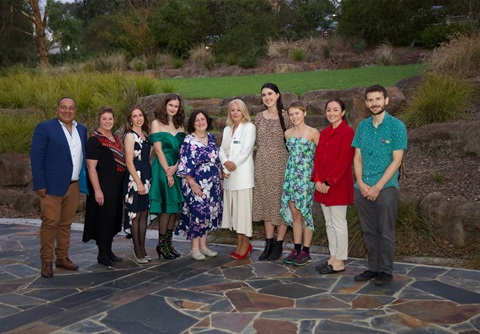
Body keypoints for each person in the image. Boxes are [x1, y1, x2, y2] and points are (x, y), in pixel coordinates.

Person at [352, 85, 407, 285]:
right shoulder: (362, 127)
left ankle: (385, 270)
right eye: (370, 100)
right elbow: (357, 157)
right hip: (362, 188)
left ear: (386, 101)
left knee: (385, 231)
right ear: (366, 103)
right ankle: (373, 268)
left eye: (378, 99)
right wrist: (360, 182)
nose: (374, 103)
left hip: (385, 188)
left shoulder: (396, 126)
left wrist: (378, 186)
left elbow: (397, 161)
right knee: (369, 230)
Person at [30, 97, 87, 278]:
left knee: (66, 224)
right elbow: (36, 157)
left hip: (73, 185)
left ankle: (62, 257)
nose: (67, 111)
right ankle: (46, 261)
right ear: (57, 109)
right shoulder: (45, 128)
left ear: (75, 111)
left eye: (71, 108)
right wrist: (40, 183)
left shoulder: (81, 129)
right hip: (51, 187)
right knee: (50, 223)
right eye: (64, 107)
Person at [312, 99, 355, 274]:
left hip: (337, 186)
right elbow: (318, 159)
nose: (331, 113)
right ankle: (333, 256)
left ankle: (340, 261)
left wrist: (329, 182)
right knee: (329, 223)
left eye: (335, 110)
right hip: (322, 185)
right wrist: (317, 180)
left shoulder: (348, 133)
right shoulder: (324, 132)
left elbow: (344, 160)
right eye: (328, 110)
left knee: (338, 223)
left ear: (343, 112)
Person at [253, 83, 293, 261]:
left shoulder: (286, 116)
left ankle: (279, 243)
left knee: (280, 204)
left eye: (270, 94)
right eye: (264, 95)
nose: (267, 97)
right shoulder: (259, 117)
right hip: (262, 165)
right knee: (266, 202)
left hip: (280, 165)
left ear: (277, 95)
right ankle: (268, 242)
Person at [176, 110, 222, 261]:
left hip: (212, 183)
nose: (201, 122)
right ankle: (194, 248)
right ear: (193, 124)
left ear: (207, 121)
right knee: (198, 214)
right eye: (197, 120)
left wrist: (219, 179)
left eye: (203, 119)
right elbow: (184, 163)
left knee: (208, 214)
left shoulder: (211, 138)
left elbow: (216, 160)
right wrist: (192, 183)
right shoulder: (189, 141)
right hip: (195, 182)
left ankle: (203, 246)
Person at [83, 107, 126, 266]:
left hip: (116, 187)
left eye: (110, 118)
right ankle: (102, 253)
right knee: (104, 220)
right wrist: (97, 190)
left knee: (113, 219)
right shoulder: (95, 141)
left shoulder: (115, 137)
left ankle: (109, 250)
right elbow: (91, 167)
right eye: (104, 119)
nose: (108, 122)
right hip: (104, 186)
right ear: (99, 120)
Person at [280, 101, 319, 266]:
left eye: (297, 113)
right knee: (295, 213)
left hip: (305, 178)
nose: (294, 117)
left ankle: (306, 251)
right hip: (291, 177)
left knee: (305, 213)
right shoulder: (287, 133)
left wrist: (316, 178)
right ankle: (296, 248)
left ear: (304, 113)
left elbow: (320, 157)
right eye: (291, 114)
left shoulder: (313, 132)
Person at [149, 93, 186, 259]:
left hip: (176, 167)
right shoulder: (156, 123)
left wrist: (176, 167)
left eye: (176, 106)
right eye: (170, 105)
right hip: (162, 168)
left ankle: (168, 244)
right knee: (166, 208)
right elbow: (157, 149)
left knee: (173, 209)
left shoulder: (180, 126)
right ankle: (161, 245)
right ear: (165, 106)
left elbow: (183, 151)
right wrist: (168, 172)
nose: (173, 109)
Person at [220, 99, 255, 260]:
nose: (235, 113)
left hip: (242, 177)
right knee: (234, 214)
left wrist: (227, 167)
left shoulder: (249, 127)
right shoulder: (227, 129)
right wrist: (224, 165)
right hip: (229, 178)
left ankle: (245, 244)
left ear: (244, 112)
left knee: (243, 214)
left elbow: (245, 151)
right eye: (232, 110)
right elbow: (222, 150)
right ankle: (240, 243)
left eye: (238, 110)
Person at [123, 105, 152, 264]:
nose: (138, 118)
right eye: (135, 116)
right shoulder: (130, 136)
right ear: (130, 119)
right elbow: (129, 161)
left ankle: (143, 249)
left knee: (143, 214)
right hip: (135, 180)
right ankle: (137, 251)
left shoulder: (145, 135)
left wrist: (147, 181)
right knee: (135, 216)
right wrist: (139, 182)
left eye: (140, 115)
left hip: (146, 178)